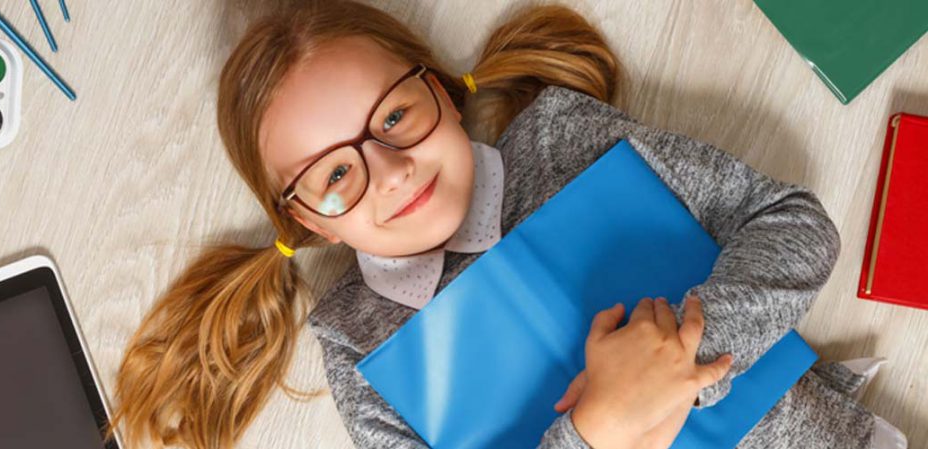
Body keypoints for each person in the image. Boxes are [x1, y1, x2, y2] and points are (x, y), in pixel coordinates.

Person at [110, 1, 907, 448]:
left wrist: (684, 363)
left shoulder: (563, 137)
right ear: (307, 222)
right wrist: (596, 427)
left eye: (394, 115)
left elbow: (794, 223)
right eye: (336, 174)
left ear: (443, 91)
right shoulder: (359, 345)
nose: (390, 169)